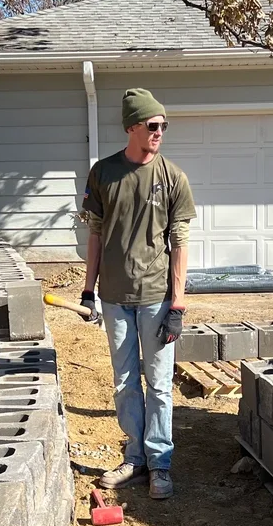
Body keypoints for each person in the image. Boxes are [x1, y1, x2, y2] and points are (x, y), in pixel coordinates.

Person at [80, 88, 196, 500]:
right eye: (152, 125)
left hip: (156, 298)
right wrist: (88, 289)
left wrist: (178, 302)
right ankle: (135, 457)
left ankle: (160, 463)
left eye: (164, 125)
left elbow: (180, 241)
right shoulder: (103, 173)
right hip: (113, 297)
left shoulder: (172, 178)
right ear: (132, 127)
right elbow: (94, 233)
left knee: (160, 384)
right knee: (125, 381)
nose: (160, 131)